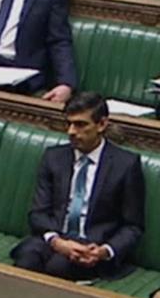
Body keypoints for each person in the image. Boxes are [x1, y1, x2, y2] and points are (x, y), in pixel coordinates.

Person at [11, 92, 145, 281]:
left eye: (81, 124)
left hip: (92, 246)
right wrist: (57, 242)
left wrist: (104, 251)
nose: (71, 131)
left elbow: (133, 226)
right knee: (27, 258)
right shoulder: (53, 157)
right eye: (69, 124)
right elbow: (38, 213)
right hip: (55, 238)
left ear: (101, 124)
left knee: (59, 267)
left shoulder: (126, 165)